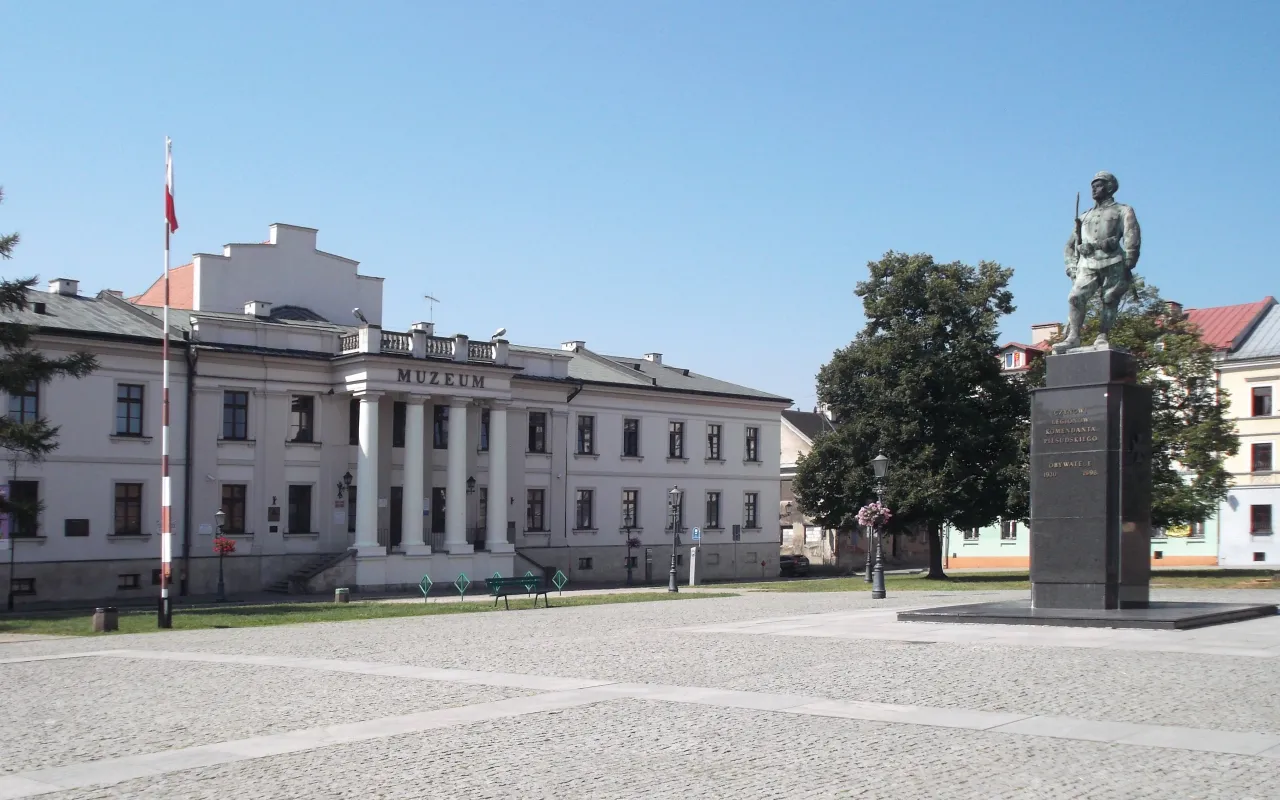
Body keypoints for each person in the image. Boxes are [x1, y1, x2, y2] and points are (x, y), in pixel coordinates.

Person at [1055, 171, 1141, 352]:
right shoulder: (1084, 216)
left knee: (1109, 299)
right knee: (1075, 297)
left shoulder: (1123, 210)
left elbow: (1131, 236)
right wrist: (1071, 267)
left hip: (1113, 261)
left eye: (1099, 185)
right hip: (1087, 264)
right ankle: (1073, 336)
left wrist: (1129, 261)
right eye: (1092, 186)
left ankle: (1103, 335)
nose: (1094, 189)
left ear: (1110, 187)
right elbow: (1069, 246)